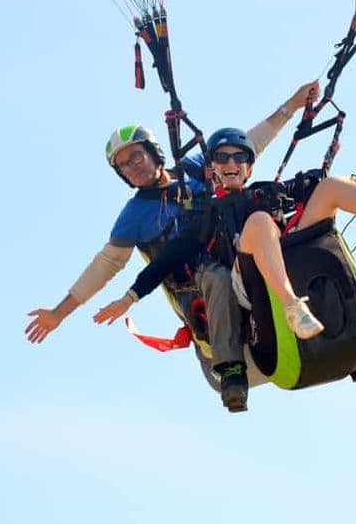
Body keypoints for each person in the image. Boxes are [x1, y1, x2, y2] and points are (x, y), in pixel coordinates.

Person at [25, 82, 321, 412]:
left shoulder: (196, 169)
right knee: (217, 276)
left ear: (154, 153)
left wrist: (293, 105)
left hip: (238, 256)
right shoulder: (134, 217)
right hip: (199, 290)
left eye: (136, 156)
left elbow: (249, 142)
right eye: (124, 165)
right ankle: (231, 371)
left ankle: (331, 320)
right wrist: (58, 313)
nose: (133, 166)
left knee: (282, 227)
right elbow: (104, 266)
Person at [94, 127, 356, 401]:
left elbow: (319, 192)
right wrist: (130, 297)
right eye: (222, 159)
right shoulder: (204, 215)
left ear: (249, 166)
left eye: (238, 158)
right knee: (260, 222)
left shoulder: (267, 193)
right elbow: (167, 259)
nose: (230, 164)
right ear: (211, 170)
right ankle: (292, 306)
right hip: (244, 290)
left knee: (328, 189)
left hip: (282, 265)